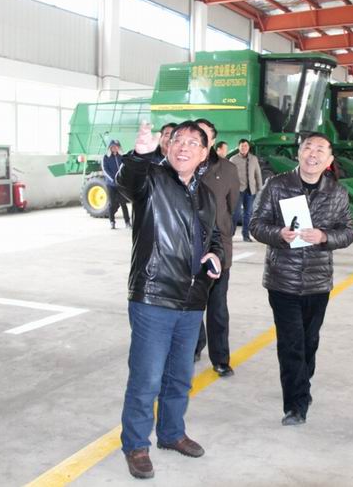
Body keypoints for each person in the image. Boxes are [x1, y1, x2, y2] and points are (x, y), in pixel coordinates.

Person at [116, 121, 223, 480]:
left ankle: (172, 433)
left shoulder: (205, 193)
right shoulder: (151, 178)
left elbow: (214, 236)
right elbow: (127, 183)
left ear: (205, 153)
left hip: (192, 300)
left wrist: (217, 255)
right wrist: (138, 156)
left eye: (194, 143)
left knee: (179, 377)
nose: (184, 147)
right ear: (167, 145)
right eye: (178, 140)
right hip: (154, 294)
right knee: (146, 379)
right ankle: (136, 445)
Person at [250, 133, 353, 426]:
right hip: (282, 279)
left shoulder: (337, 192)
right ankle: (296, 405)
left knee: (309, 341)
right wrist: (278, 234)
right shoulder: (276, 185)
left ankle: (301, 385)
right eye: (308, 147)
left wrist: (324, 236)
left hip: (318, 282)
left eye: (320, 150)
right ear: (299, 153)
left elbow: (348, 232)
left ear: (329, 160)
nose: (313, 154)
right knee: (291, 343)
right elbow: (256, 224)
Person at [194, 118, 240, 377]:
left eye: (205, 135)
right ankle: (195, 345)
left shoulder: (228, 169)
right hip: (187, 248)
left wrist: (221, 232)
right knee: (190, 304)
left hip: (218, 248)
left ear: (212, 140)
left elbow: (232, 207)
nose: (199, 139)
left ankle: (220, 358)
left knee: (217, 307)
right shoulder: (180, 167)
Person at [230, 138, 263, 242]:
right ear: (238, 147)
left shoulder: (254, 159)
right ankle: (230, 234)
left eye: (246, 146)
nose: (244, 148)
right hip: (238, 190)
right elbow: (229, 175)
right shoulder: (233, 159)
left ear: (248, 147)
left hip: (250, 190)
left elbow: (258, 174)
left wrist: (260, 188)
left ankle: (246, 235)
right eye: (242, 146)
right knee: (235, 213)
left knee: (248, 213)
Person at [102, 139, 130, 229]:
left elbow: (125, 169)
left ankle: (127, 222)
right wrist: (113, 180)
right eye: (113, 146)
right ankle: (112, 222)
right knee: (112, 203)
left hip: (120, 185)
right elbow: (105, 170)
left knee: (123, 203)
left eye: (117, 146)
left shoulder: (121, 157)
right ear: (110, 148)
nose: (115, 148)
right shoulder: (106, 157)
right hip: (111, 185)